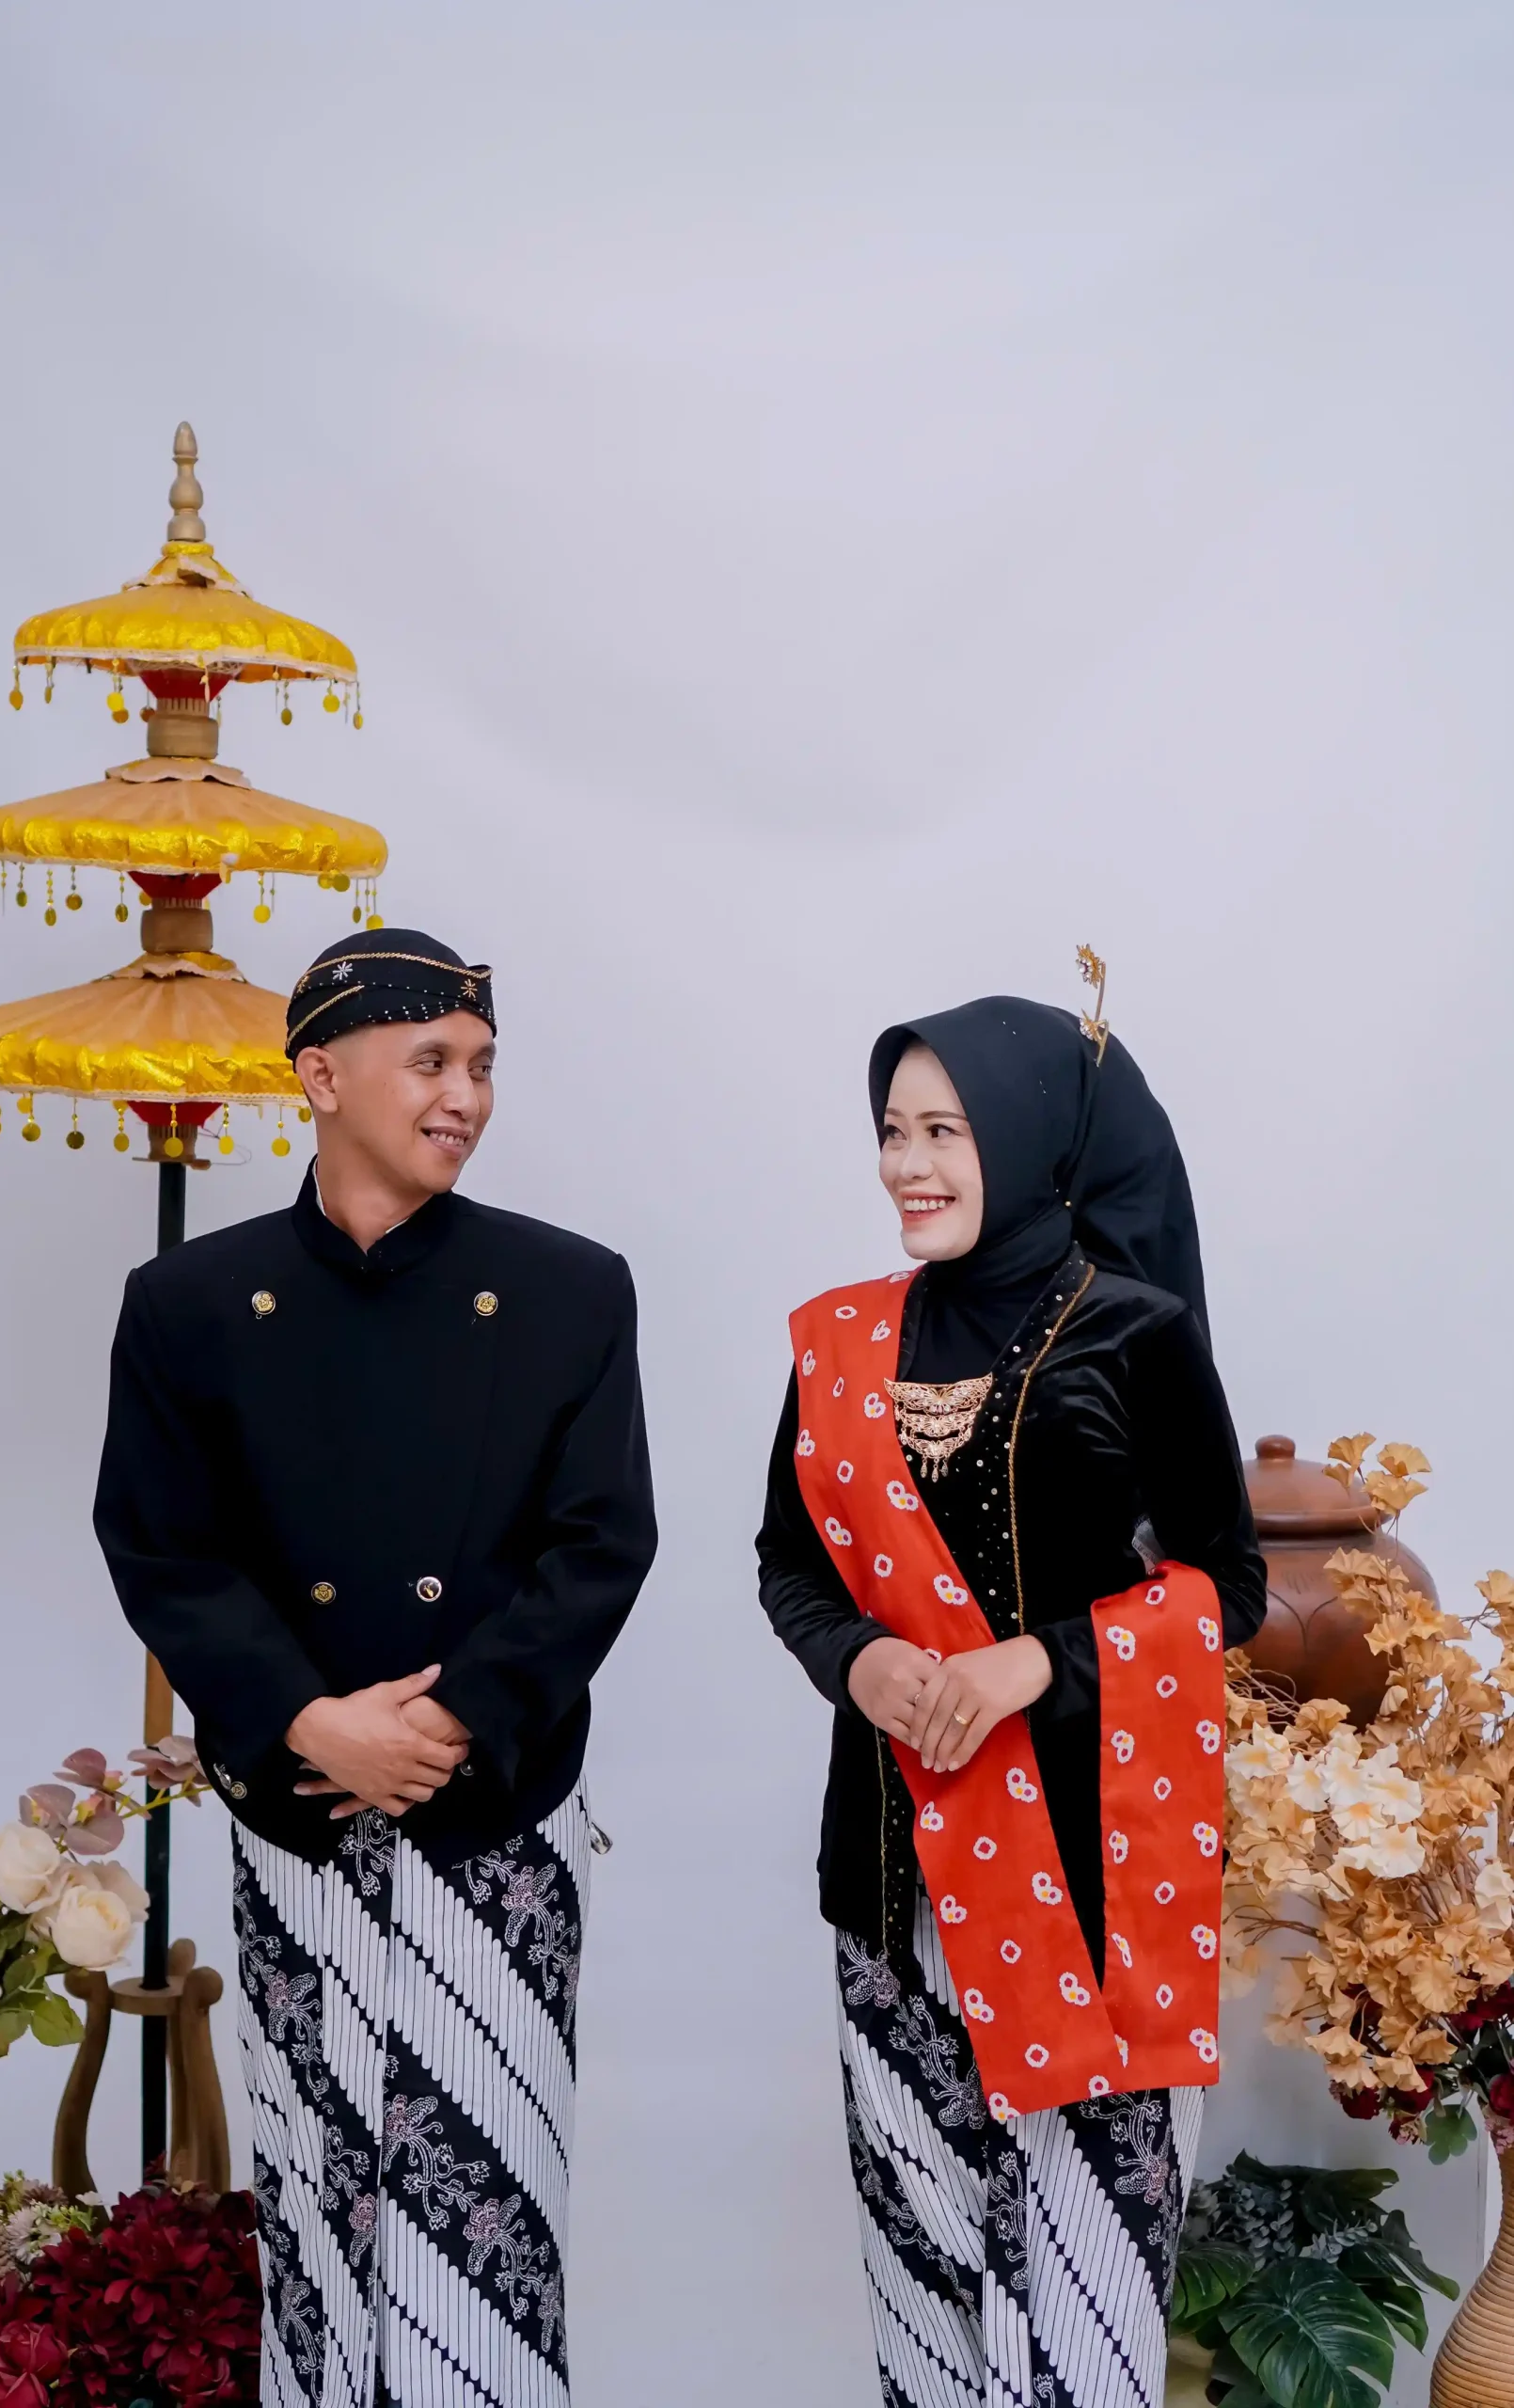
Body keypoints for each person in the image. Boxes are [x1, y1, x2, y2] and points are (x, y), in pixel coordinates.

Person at [95, 929, 656, 2408]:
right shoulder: (188, 1302)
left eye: (482, 1065)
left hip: (498, 1813)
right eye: (430, 1061)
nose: (465, 1095)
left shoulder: (568, 1289)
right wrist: (306, 1721)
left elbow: (600, 1544)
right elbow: (162, 1550)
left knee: (489, 2206)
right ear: (321, 1075)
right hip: (297, 1815)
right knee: (321, 2198)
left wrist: (451, 1715)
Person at [756, 996, 1265, 2408]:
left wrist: (1031, 1663)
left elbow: (1228, 1585)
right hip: (892, 1871)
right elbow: (789, 1563)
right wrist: (858, 1662)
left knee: (1085, 2273)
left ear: (1033, 1138)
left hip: (1091, 1885)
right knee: (923, 2267)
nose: (907, 1166)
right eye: (893, 1131)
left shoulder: (1137, 1332)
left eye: (947, 1131)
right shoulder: (839, 1341)